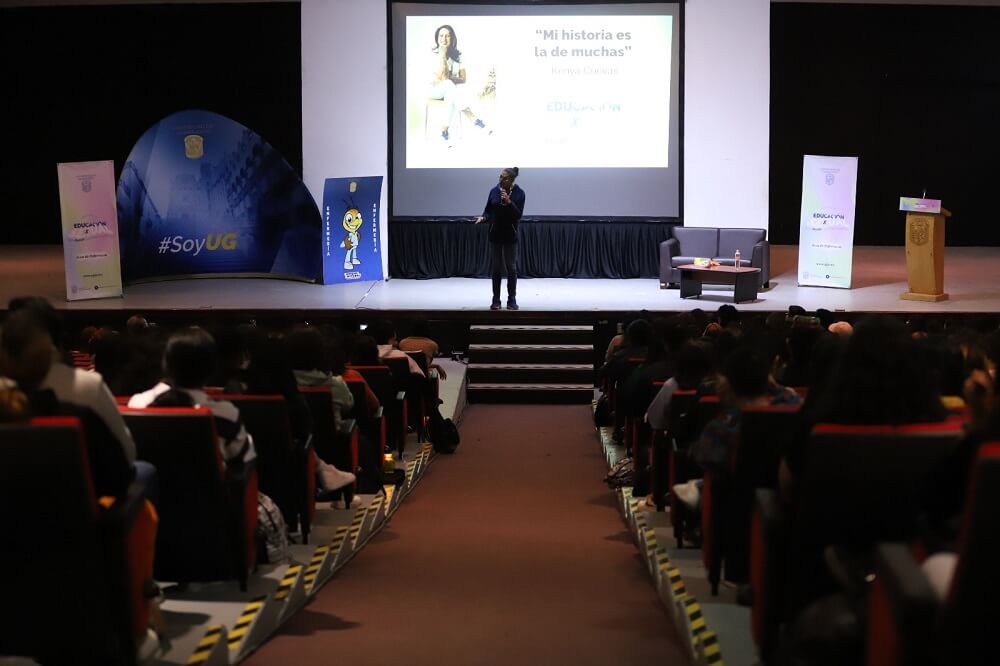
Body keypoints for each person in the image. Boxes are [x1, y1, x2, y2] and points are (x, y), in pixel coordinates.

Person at [428, 24, 489, 142]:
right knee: (449, 85)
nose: (444, 39)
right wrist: (442, 55)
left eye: (447, 36)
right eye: (441, 36)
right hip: (434, 91)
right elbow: (444, 78)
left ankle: (444, 131)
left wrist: (449, 79)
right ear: (437, 38)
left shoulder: (458, 56)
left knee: (451, 91)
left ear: (452, 38)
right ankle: (473, 118)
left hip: (450, 91)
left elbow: (463, 78)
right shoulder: (433, 55)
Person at [475, 167, 525, 310]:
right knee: (496, 268)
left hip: (510, 235)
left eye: (504, 177)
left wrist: (509, 202)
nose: (501, 179)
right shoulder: (494, 191)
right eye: (500, 176)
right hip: (495, 234)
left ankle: (512, 300)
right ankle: (496, 300)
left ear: (511, 180)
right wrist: (483, 217)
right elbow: (488, 210)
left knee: (511, 268)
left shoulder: (520, 193)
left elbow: (518, 215)